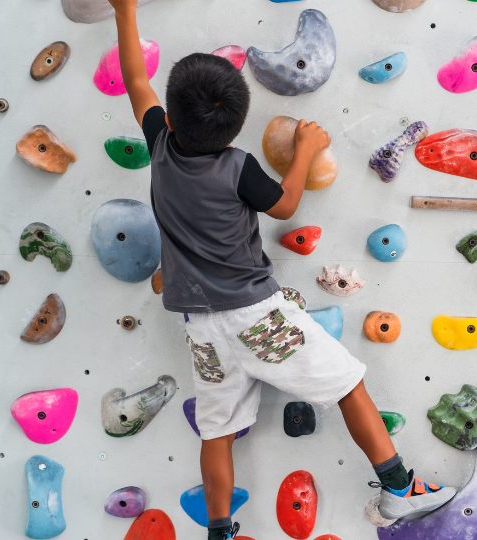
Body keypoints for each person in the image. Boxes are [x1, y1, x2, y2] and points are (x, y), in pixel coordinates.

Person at [107, 1, 456, 537]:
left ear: (172, 117)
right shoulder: (236, 166)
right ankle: (398, 490)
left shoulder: (159, 147)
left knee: (217, 432)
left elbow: (136, 80)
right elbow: (287, 205)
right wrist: (306, 148)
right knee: (348, 384)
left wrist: (125, 10)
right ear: (237, 125)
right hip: (257, 318)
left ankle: (220, 532)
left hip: (202, 328)